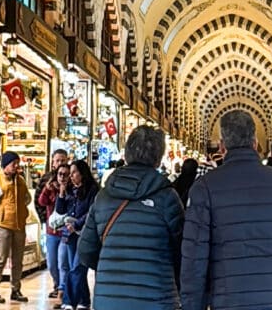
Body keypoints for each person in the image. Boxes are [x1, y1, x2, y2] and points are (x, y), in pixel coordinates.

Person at [180, 111, 272, 310]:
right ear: (255, 143)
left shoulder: (204, 187)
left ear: (223, 146)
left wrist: (193, 306)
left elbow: (194, 258)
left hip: (229, 301)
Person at [79, 126, 185, 309]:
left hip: (109, 299)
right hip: (157, 298)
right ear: (158, 158)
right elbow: (182, 251)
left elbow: (85, 251)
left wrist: (112, 267)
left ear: (127, 154)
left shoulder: (103, 197)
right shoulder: (167, 198)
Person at [0, 152, 31, 303]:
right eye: (13, 163)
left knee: (18, 260)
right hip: (2, 224)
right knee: (1, 259)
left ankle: (15, 289)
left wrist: (23, 209)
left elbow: (27, 198)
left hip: (19, 224)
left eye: (17, 163)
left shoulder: (21, 180)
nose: (16, 166)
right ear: (6, 164)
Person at [55, 160, 98, 310]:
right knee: (76, 268)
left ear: (82, 173)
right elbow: (60, 211)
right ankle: (84, 300)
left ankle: (68, 301)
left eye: (74, 173)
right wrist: (61, 192)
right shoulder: (71, 190)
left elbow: (92, 212)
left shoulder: (93, 190)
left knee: (77, 267)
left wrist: (77, 224)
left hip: (85, 234)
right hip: (70, 235)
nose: (71, 176)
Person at [35, 149, 70, 300]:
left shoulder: (72, 181)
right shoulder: (47, 181)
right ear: (52, 162)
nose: (60, 164)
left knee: (63, 261)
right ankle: (57, 284)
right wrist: (46, 219)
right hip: (51, 230)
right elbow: (40, 202)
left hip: (66, 230)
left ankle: (63, 288)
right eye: (58, 160)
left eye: (63, 160)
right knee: (52, 262)